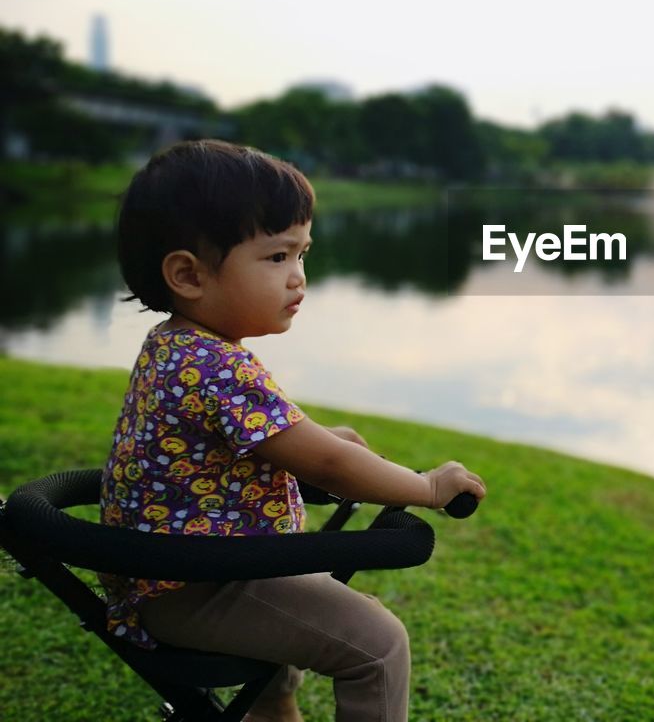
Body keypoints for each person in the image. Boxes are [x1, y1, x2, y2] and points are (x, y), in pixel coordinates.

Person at [101, 138, 486, 722]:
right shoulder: (218, 365)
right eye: (278, 258)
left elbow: (245, 444)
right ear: (188, 274)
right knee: (377, 646)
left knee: (298, 587)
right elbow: (328, 467)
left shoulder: (177, 346)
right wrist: (427, 487)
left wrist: (321, 436)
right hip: (198, 587)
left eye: (303, 254)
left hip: (186, 575)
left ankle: (271, 712)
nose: (299, 278)